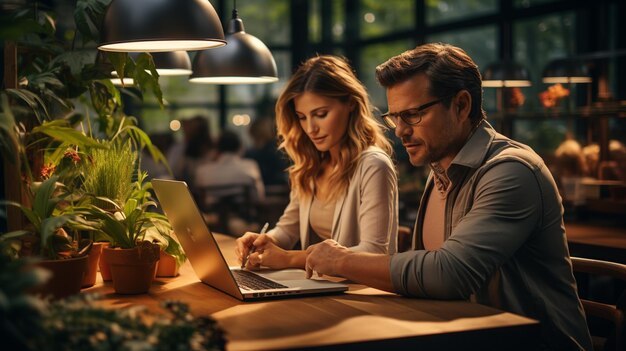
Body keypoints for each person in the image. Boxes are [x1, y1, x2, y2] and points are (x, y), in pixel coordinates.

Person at [304, 43, 592, 350]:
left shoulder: (511, 171)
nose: (400, 131)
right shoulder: (440, 169)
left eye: (412, 115)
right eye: (395, 117)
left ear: (461, 105)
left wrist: (342, 260)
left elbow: (449, 274)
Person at [236, 55, 398, 270]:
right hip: (321, 288)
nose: (311, 128)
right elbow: (286, 230)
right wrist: (264, 240)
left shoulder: (373, 165)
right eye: (302, 117)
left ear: (351, 103)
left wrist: (290, 258)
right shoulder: (311, 166)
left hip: (361, 294)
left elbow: (373, 253)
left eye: (321, 114)